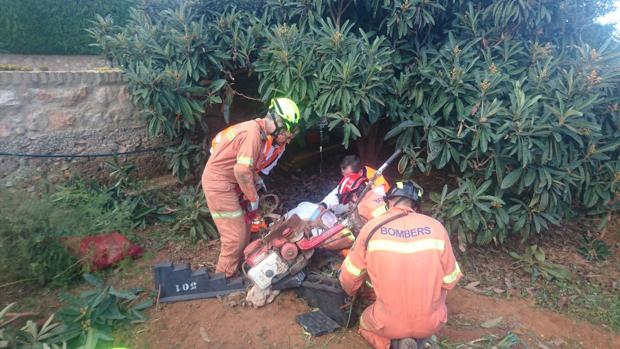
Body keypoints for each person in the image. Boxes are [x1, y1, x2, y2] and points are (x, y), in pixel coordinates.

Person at [339, 181, 463, 349]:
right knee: (435, 305)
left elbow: (349, 278)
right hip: (431, 322)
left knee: (364, 322)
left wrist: (353, 292)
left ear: (388, 201)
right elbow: (451, 279)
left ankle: (393, 344)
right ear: (415, 204)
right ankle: (421, 336)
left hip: (387, 323)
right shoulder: (437, 228)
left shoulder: (371, 229)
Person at [201, 97, 300, 278]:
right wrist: (253, 198)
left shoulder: (260, 134)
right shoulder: (253, 133)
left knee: (245, 229)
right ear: (277, 121)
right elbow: (241, 171)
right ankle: (223, 278)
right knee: (235, 236)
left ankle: (237, 268)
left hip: (228, 182)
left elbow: (244, 166)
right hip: (219, 184)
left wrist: (256, 179)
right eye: (286, 130)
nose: (287, 136)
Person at [322, 172, 389, 250]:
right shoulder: (380, 195)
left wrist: (322, 242)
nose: (349, 204)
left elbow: (345, 237)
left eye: (348, 201)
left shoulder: (362, 209)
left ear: (354, 197)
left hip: (383, 248)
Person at [317, 155, 390, 215]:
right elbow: (337, 192)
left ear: (360, 172)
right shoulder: (352, 178)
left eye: (348, 176)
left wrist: (357, 207)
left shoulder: (376, 180)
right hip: (356, 203)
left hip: (379, 207)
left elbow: (378, 206)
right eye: (344, 175)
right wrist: (323, 205)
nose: (345, 179)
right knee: (330, 209)